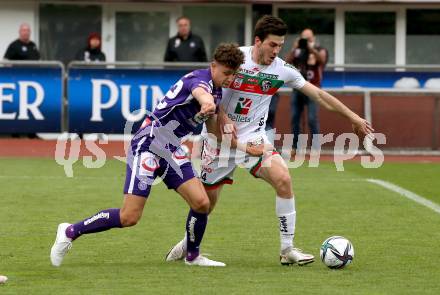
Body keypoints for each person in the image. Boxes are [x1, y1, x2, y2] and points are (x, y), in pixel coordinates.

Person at [166, 15, 373, 266]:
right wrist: (221, 118)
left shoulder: (282, 70)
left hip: (254, 139)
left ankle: (287, 250)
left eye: (280, 45)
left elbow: (317, 94)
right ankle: (187, 245)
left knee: (284, 179)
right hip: (218, 141)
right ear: (257, 41)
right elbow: (212, 88)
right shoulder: (235, 59)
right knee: (205, 205)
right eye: (272, 45)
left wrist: (354, 118)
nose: (276, 51)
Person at [50, 43, 245, 267]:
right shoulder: (199, 81)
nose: (229, 78)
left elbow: (213, 133)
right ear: (213, 66)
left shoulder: (217, 92)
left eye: (233, 74)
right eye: (226, 73)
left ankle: (192, 256)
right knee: (129, 217)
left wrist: (244, 146)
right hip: (149, 144)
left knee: (201, 203)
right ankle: (70, 231)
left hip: (172, 148)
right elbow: (202, 95)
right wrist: (208, 104)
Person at [285, 28, 328, 150]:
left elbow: (321, 60)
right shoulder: (297, 51)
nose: (306, 42)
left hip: (313, 88)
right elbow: (286, 63)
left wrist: (310, 48)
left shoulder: (319, 50)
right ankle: (295, 146)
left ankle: (315, 147)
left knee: (312, 119)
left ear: (313, 39)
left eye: (308, 39)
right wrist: (295, 48)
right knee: (294, 118)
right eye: (304, 39)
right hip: (298, 89)